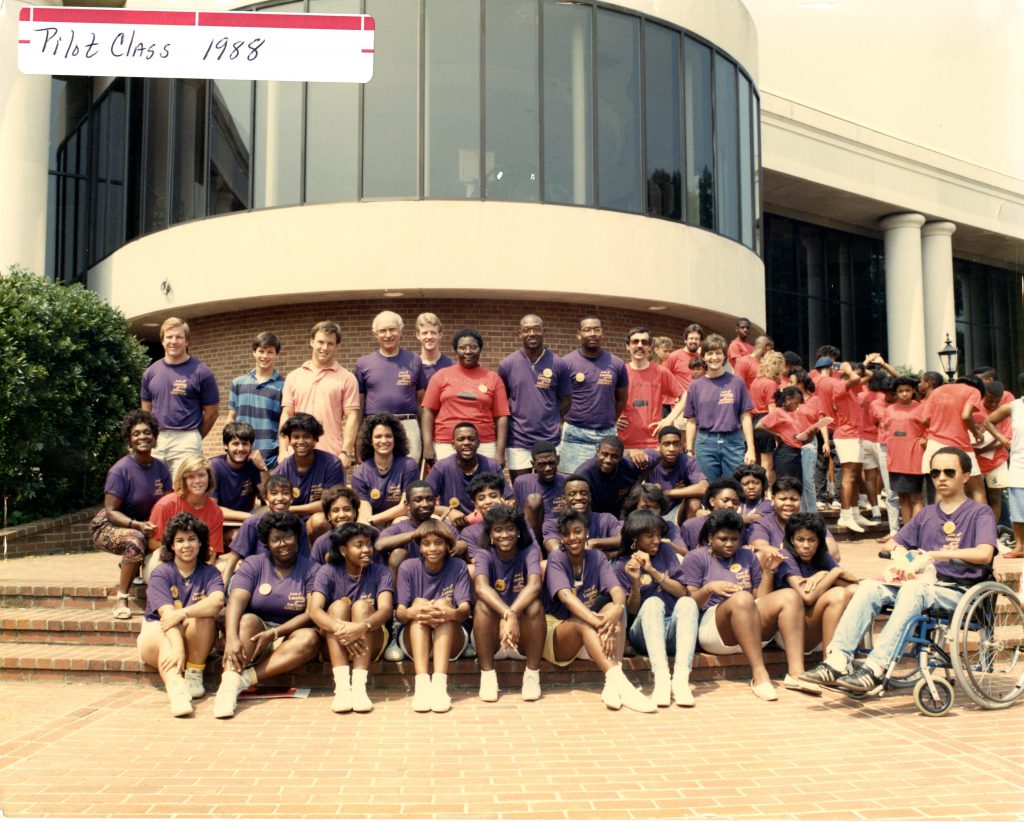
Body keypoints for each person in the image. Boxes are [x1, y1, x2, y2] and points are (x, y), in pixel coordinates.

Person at [801, 447, 998, 694]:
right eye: (935, 473)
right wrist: (904, 561)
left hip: (960, 590)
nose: (941, 478)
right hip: (925, 585)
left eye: (949, 472)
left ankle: (875, 667)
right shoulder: (926, 513)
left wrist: (934, 555)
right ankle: (837, 661)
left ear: (966, 476)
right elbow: (895, 543)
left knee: (914, 589)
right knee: (870, 587)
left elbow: (984, 553)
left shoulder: (980, 512)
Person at [681, 509, 820, 701]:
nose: (730, 544)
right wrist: (709, 589)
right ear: (710, 537)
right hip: (714, 628)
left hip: (749, 623)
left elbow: (759, 600)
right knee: (742, 598)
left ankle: (796, 673)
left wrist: (768, 572)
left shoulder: (747, 556)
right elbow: (688, 604)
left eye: (735, 539)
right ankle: (759, 674)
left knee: (789, 595)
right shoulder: (696, 557)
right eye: (723, 539)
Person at [543, 510, 655, 712]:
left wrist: (616, 609)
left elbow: (617, 590)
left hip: (592, 630)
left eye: (577, 531)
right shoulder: (556, 558)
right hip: (558, 632)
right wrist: (601, 624)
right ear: (561, 537)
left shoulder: (596, 557)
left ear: (586, 532)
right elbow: (566, 598)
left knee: (614, 609)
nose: (572, 538)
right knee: (584, 621)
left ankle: (612, 685)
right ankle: (624, 687)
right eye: (566, 534)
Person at [212, 510, 321, 719]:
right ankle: (228, 684)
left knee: (310, 638)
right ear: (266, 542)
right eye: (276, 539)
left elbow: (310, 613)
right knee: (246, 620)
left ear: (296, 537)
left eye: (287, 536)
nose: (283, 543)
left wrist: (275, 633)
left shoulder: (312, 569)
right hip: (255, 634)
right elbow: (236, 600)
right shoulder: (254, 564)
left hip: (290, 634)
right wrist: (231, 638)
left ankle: (244, 680)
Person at [137, 513, 225, 716]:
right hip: (158, 633)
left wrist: (184, 613)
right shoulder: (161, 572)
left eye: (192, 539)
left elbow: (217, 602)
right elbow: (167, 617)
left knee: (203, 616)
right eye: (180, 540)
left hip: (193, 636)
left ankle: (194, 672)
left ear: (201, 542)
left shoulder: (210, 572)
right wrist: (178, 649)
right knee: (166, 638)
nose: (187, 545)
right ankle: (176, 689)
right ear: (172, 545)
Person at [93, 409, 173, 619]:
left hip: (145, 524)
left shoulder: (161, 468)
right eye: (136, 433)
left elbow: (168, 502)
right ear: (129, 439)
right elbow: (111, 512)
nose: (142, 437)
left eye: (147, 432)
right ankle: (122, 598)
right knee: (135, 541)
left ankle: (134, 563)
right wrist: (137, 525)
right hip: (112, 525)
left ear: (155, 437)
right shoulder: (120, 470)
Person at [309, 522, 395, 712]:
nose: (367, 550)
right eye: (359, 545)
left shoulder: (381, 571)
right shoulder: (327, 571)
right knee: (338, 607)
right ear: (343, 550)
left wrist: (360, 627)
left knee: (362, 607)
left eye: (369, 544)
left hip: (372, 638)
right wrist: (345, 630)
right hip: (335, 641)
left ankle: (358, 688)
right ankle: (341, 689)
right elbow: (314, 610)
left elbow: (386, 610)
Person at [617, 509, 699, 706]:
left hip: (673, 632)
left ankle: (680, 681)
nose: (656, 540)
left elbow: (682, 592)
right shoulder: (622, 565)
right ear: (635, 538)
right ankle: (662, 680)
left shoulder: (666, 551)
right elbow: (633, 611)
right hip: (644, 635)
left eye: (659, 534)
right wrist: (635, 582)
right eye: (650, 535)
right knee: (653, 603)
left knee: (688, 602)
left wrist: (652, 571)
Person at [396, 520, 472, 712]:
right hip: (414, 638)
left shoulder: (458, 565)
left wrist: (448, 613)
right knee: (419, 604)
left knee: (443, 606)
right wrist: (416, 611)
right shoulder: (408, 567)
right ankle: (422, 686)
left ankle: (439, 686)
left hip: (451, 639)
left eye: (438, 543)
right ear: (420, 548)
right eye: (426, 543)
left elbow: (464, 610)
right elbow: (401, 613)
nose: (432, 548)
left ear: (448, 546)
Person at [472, 505, 545, 702]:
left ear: (519, 532)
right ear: (491, 534)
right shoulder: (484, 552)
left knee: (535, 606)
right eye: (498, 529)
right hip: (493, 638)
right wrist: (508, 614)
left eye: (510, 529)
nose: (504, 534)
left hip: (522, 637)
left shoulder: (529, 550)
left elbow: (535, 585)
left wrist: (512, 614)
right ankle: (487, 677)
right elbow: (481, 587)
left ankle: (532, 675)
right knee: (482, 606)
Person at [140, 317, 220, 479]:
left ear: (187, 341)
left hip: (187, 439)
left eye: (179, 337)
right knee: (155, 489)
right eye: (169, 337)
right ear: (162, 341)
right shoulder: (150, 372)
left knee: (185, 490)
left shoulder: (202, 372)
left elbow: (212, 413)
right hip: (157, 440)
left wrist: (195, 436)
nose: (173, 341)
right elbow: (146, 412)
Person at [769, 513, 858, 653]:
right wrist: (833, 573)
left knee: (855, 592)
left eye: (811, 540)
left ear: (819, 541)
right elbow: (807, 597)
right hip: (793, 634)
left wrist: (825, 574)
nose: (806, 546)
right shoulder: (785, 556)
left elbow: (855, 585)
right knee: (838, 594)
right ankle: (829, 662)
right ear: (792, 539)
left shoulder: (822, 554)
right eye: (800, 540)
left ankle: (859, 657)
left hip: (820, 627)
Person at [497, 314, 572, 479]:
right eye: (526, 330)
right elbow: (503, 402)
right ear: (520, 333)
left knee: (548, 487)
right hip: (518, 439)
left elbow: (566, 400)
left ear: (544, 332)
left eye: (536, 329)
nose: (532, 333)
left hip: (549, 438)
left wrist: (550, 417)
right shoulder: (507, 364)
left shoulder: (559, 364)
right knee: (521, 486)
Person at [281, 321, 360, 474]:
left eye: (330, 343)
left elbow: (352, 417)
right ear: (311, 342)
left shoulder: (347, 378)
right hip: (296, 455)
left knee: (332, 498)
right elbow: (286, 415)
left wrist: (345, 453)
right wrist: (283, 450)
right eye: (321, 342)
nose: (325, 348)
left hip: (331, 456)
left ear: (337, 346)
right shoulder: (293, 377)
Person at [421, 328, 510, 465]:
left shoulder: (493, 378)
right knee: (448, 485)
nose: (468, 351)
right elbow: (428, 411)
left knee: (485, 485)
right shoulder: (441, 375)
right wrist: (428, 445)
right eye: (462, 347)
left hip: (484, 444)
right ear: (456, 350)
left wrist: (499, 452)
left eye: (473, 347)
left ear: (480, 349)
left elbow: (502, 416)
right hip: (446, 444)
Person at [559, 316, 629, 473]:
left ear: (602, 333)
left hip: (607, 434)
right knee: (573, 482)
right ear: (579, 334)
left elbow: (622, 399)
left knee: (605, 483)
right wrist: (563, 423)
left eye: (597, 329)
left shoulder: (616, 363)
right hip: (575, 434)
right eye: (587, 330)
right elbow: (559, 398)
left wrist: (609, 419)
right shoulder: (566, 363)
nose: (593, 333)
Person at [355, 311, 428, 462]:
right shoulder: (363, 363)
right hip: (375, 428)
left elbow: (422, 402)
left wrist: (426, 439)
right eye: (382, 330)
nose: (388, 334)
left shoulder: (414, 360)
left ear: (401, 331)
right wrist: (358, 438)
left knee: (409, 472)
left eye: (392, 329)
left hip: (407, 425)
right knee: (376, 474)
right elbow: (359, 405)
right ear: (375, 333)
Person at [682, 333, 755, 483]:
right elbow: (691, 421)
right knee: (707, 488)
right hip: (705, 442)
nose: (714, 357)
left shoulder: (737, 382)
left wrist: (751, 448)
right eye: (709, 353)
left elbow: (745, 416)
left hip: (733, 441)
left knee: (735, 486)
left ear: (724, 356)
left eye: (718, 353)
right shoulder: (695, 386)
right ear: (703, 357)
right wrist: (689, 450)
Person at [815, 355, 873, 533]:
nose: (857, 377)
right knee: (848, 476)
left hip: (855, 435)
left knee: (854, 477)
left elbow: (866, 375)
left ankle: (854, 513)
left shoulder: (852, 391)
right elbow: (855, 377)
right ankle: (845, 515)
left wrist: (863, 365)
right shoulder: (840, 386)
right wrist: (847, 370)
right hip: (846, 435)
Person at [223, 474, 312, 581]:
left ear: (291, 498)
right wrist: (222, 589)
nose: (280, 498)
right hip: (256, 576)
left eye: (285, 493)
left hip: (288, 577)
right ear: (266, 498)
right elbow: (233, 558)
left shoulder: (298, 524)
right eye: (274, 494)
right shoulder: (252, 523)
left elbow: (304, 559)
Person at [272, 413, 345, 538]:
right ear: (289, 440)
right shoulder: (280, 471)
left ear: (315, 440)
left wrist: (291, 509)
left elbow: (331, 504)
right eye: (296, 437)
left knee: (319, 521)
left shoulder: (332, 464)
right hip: (290, 521)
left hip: (320, 522)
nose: (300, 442)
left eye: (306, 437)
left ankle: (317, 556)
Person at [919, 377, 987, 506]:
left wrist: (939, 425)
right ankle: (983, 525)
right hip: (959, 445)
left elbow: (923, 419)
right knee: (977, 490)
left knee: (941, 490)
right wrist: (976, 433)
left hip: (935, 444)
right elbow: (966, 415)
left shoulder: (937, 391)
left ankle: (940, 524)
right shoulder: (973, 391)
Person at [149, 456, 225, 568]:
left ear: (209, 478)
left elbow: (212, 552)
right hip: (167, 557)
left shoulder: (215, 511)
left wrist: (206, 577)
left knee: (222, 567)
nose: (197, 481)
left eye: (201, 475)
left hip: (198, 559)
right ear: (183, 480)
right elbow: (152, 542)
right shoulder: (165, 505)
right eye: (191, 477)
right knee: (158, 561)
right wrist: (183, 552)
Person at [425, 422, 511, 521]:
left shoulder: (491, 465)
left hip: (488, 520)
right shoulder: (441, 467)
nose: (466, 443)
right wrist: (449, 511)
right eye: (461, 439)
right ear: (453, 444)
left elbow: (509, 499)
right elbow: (424, 503)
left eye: (471, 439)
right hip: (454, 522)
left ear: (478, 443)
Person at [617, 326, 686, 449]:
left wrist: (669, 419)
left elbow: (684, 396)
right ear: (627, 346)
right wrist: (612, 418)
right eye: (635, 342)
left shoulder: (660, 372)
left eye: (644, 342)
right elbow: (604, 399)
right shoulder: (620, 372)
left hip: (653, 444)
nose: (639, 345)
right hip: (625, 444)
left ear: (649, 347)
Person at [351, 412, 420, 529]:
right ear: (370, 441)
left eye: (388, 436)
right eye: (378, 437)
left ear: (395, 439)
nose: (383, 441)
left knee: (401, 522)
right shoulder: (360, 474)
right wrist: (365, 526)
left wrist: (372, 520)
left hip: (399, 519)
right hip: (374, 525)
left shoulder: (409, 465)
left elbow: (404, 508)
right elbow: (364, 512)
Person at [227, 331, 284, 469]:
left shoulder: (284, 386)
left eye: (270, 352)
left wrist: (282, 452)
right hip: (241, 455)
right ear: (254, 353)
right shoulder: (238, 383)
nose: (265, 356)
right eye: (261, 351)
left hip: (269, 458)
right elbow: (231, 417)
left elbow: (285, 423)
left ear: (276, 354)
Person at [755, 386, 832, 487]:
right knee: (785, 484)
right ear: (788, 399)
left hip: (798, 451)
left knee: (797, 485)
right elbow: (759, 426)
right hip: (785, 452)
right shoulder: (778, 412)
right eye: (796, 403)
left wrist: (812, 432)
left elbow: (802, 440)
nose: (797, 407)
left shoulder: (794, 414)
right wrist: (776, 435)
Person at [881, 376, 927, 528]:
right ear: (896, 393)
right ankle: (907, 531)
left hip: (914, 457)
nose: (904, 394)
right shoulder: (889, 410)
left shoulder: (922, 408)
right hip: (895, 458)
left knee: (916, 496)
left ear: (914, 391)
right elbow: (887, 429)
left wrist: (925, 439)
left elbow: (930, 427)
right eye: (901, 391)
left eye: (908, 390)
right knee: (902, 497)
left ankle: (918, 529)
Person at [984, 383, 1024, 557]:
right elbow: (988, 422)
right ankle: (1020, 547)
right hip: (1019, 463)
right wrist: (1003, 439)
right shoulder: (1014, 407)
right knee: (1018, 509)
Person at [211, 421, 268, 542]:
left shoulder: (252, 464)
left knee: (274, 509)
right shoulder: (214, 467)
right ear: (226, 445)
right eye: (235, 444)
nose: (240, 449)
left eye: (245, 444)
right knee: (240, 537)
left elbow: (268, 496)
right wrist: (251, 518)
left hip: (247, 518)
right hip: (223, 523)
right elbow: (213, 510)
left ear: (251, 446)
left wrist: (262, 468)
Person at [541, 476, 622, 558]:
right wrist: (607, 554)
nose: (578, 497)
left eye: (583, 493)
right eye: (572, 494)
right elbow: (557, 552)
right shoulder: (551, 525)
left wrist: (594, 543)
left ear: (590, 497)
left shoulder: (606, 519)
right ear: (564, 499)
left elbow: (624, 540)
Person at [643, 426, 708, 525]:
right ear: (658, 446)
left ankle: (688, 535)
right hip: (652, 510)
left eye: (676, 444)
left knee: (694, 503)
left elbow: (704, 487)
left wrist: (667, 492)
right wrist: (633, 452)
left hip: (677, 510)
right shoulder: (651, 457)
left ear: (681, 446)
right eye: (666, 444)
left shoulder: (687, 461)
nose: (672, 449)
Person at [575, 435, 651, 517]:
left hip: (621, 513)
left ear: (621, 457)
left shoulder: (628, 465)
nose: (608, 460)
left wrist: (637, 452)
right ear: (597, 452)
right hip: (592, 516)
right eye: (604, 454)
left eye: (614, 456)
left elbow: (656, 455)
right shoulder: (583, 474)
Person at [513, 441, 566, 548]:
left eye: (551, 463)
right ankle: (535, 549)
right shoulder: (522, 482)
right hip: (534, 534)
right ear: (533, 465)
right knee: (534, 500)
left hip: (559, 532)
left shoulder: (566, 482)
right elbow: (521, 515)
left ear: (558, 460)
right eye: (542, 464)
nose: (548, 468)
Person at [973, 381, 1012, 523]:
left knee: (996, 497)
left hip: (997, 461)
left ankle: (991, 529)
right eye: (990, 400)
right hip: (974, 463)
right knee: (975, 497)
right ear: (984, 396)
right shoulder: (974, 409)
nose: (993, 404)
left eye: (997, 401)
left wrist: (981, 450)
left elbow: (1005, 440)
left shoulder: (1004, 411)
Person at [621, 483, 689, 558]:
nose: (652, 512)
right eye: (646, 508)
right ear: (634, 507)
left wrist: (667, 544)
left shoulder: (668, 526)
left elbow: (685, 552)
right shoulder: (627, 526)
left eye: (656, 507)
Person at [749, 349, 785, 483]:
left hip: (753, 421)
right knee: (767, 463)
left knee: (756, 461)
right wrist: (777, 433)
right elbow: (772, 411)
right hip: (766, 421)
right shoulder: (771, 384)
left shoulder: (756, 381)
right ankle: (767, 492)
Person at [679, 477, 743, 553]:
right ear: (712, 501)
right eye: (725, 500)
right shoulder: (690, 526)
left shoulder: (739, 525)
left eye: (735, 502)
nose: (730, 505)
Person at [310, 485, 363, 564]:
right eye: (335, 510)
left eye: (347, 509)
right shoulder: (321, 543)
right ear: (328, 516)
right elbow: (314, 573)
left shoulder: (368, 536)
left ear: (354, 513)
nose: (341, 515)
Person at [663, 324, 703, 399]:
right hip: (677, 404)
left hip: (695, 403)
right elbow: (663, 379)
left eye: (697, 339)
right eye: (691, 338)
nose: (694, 341)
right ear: (685, 340)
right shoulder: (673, 356)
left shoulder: (702, 359)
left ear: (700, 342)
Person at [415, 312, 454, 383]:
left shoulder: (451, 366)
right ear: (418, 335)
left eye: (433, 332)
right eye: (425, 333)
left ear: (440, 334)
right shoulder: (413, 367)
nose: (429, 337)